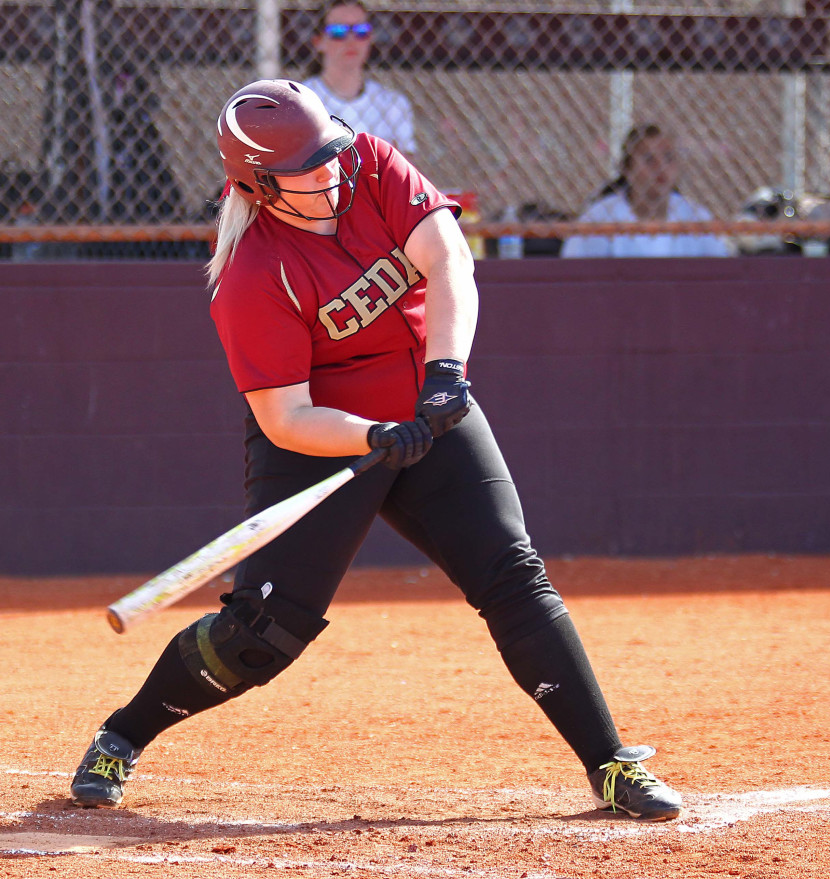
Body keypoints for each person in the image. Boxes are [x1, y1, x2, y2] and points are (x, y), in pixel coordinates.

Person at [69, 79, 682, 823]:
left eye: (329, 154)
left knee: (512, 574)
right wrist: (372, 436)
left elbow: (451, 260)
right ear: (259, 188)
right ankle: (123, 734)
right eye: (305, 171)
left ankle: (610, 764)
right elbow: (287, 414)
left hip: (429, 403)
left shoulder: (372, 163)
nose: (331, 174)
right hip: (322, 439)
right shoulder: (252, 274)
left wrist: (446, 373)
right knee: (262, 635)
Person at [561, 124, 732, 258]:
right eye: (649, 159)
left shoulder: (696, 216)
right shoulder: (600, 218)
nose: (661, 168)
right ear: (627, 169)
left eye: (669, 158)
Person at [301, 1, 416, 160]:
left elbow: (403, 170)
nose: (351, 40)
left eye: (361, 31)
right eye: (338, 31)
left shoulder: (392, 103)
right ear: (318, 41)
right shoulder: (302, 101)